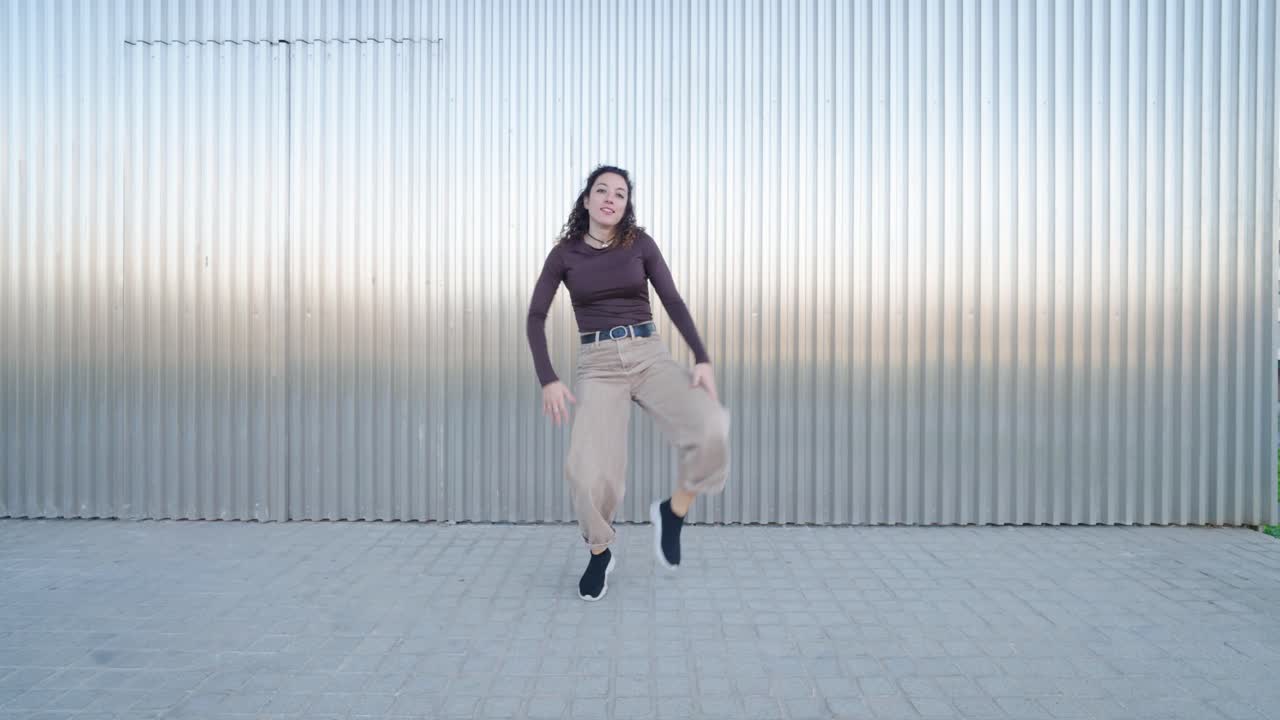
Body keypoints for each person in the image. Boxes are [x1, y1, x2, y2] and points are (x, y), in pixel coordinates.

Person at [526, 165, 730, 601]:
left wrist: (702, 358)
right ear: (586, 201)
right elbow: (536, 316)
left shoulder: (641, 244)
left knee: (711, 425)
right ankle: (599, 550)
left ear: (625, 206)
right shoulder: (565, 254)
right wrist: (548, 378)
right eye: (602, 190)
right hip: (598, 364)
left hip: (648, 354)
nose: (610, 198)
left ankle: (674, 513)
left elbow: (672, 299)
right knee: (587, 471)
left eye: (620, 194)